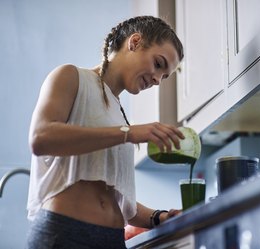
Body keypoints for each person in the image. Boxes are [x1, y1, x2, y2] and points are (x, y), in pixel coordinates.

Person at [26, 15, 184, 249]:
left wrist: (157, 217)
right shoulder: (71, 77)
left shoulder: (118, 113)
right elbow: (41, 139)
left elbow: (115, 196)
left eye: (164, 76)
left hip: (111, 240)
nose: (157, 80)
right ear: (135, 42)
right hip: (65, 234)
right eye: (158, 64)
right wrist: (128, 133)